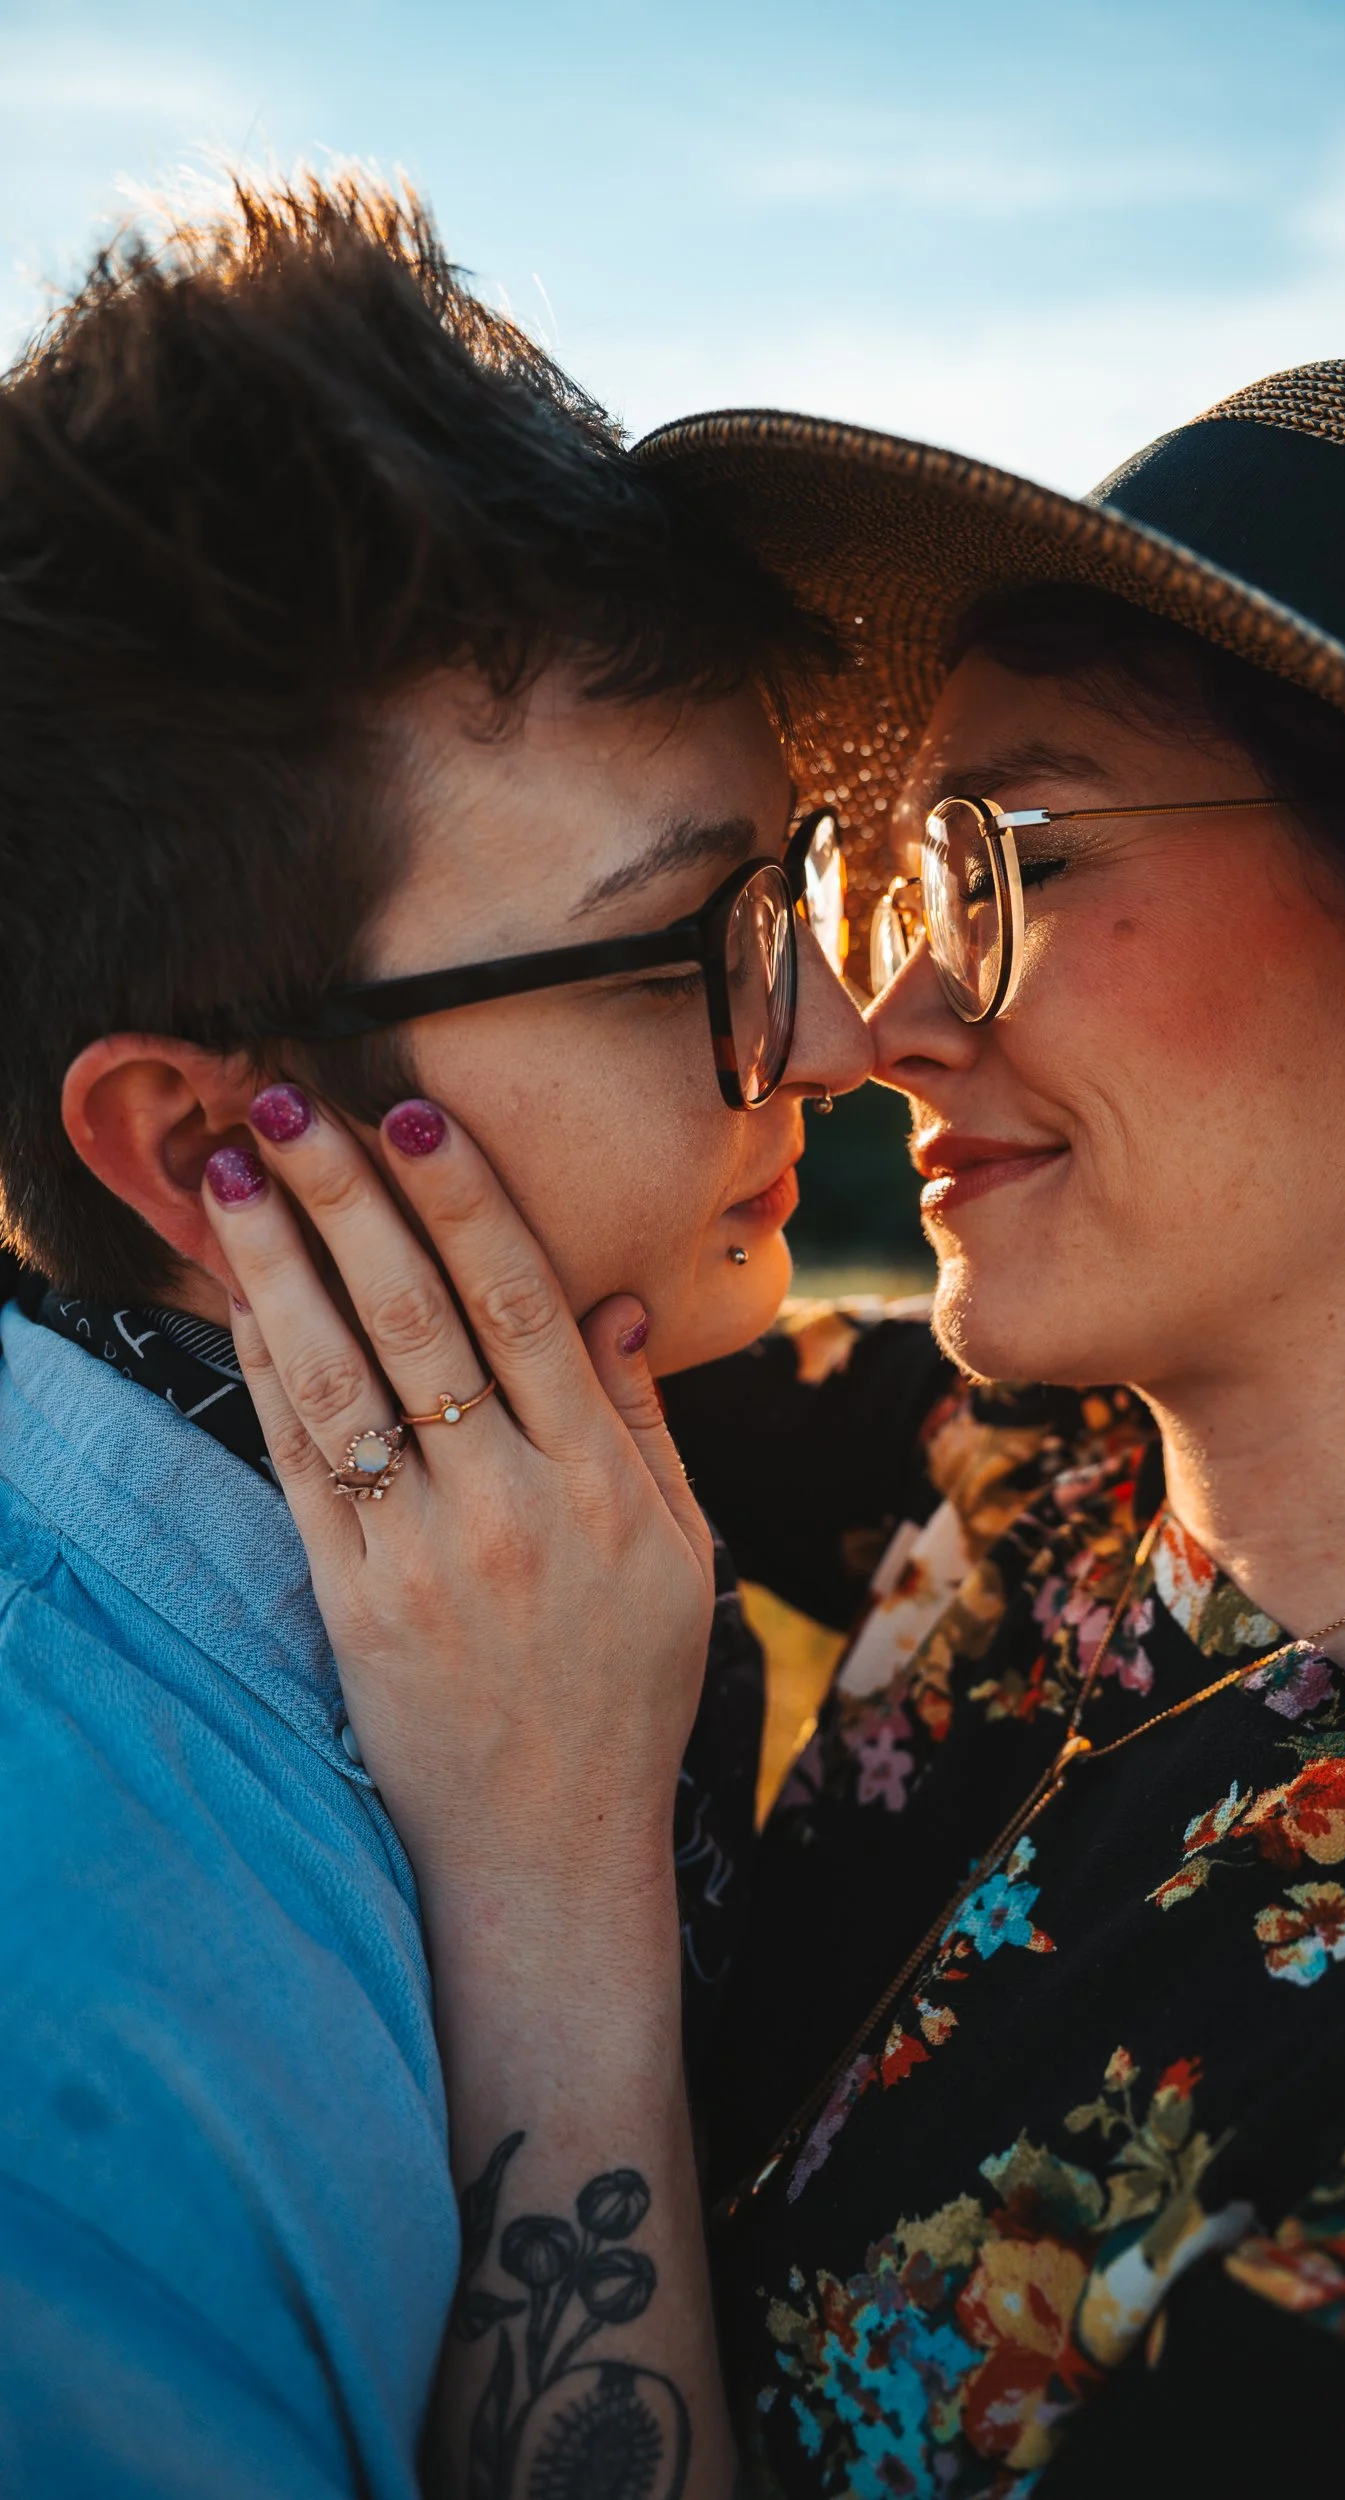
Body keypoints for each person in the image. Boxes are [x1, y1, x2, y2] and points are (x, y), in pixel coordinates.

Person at [235, 363, 1345, 2500]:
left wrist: (548, 1879)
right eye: (892, 872)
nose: (881, 1016)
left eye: (1015, 855)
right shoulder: (1023, 1488)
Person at [0, 172, 869, 2496]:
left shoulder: (559, 1500)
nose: (833, 1024)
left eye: (786, 897)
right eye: (682, 941)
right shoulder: (73, 1992)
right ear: (207, 1142)